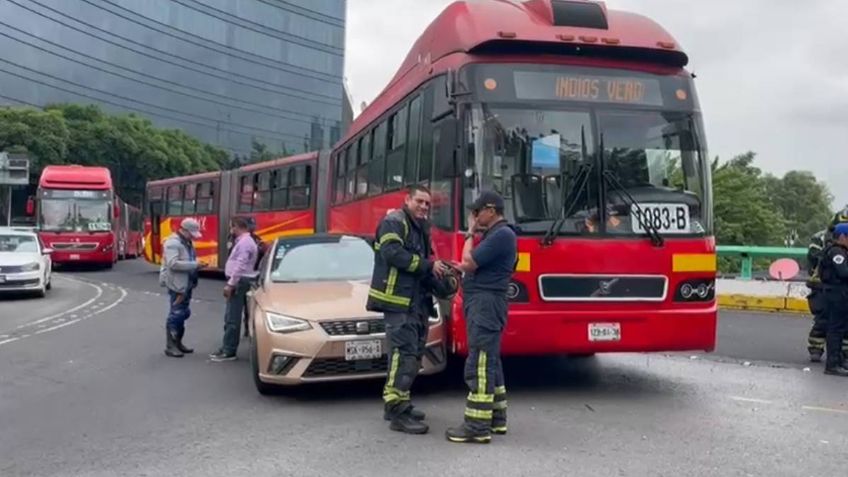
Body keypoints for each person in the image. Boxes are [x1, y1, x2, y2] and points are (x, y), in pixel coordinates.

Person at [367, 185, 448, 435]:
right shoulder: (394, 221)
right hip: (397, 302)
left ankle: (399, 403)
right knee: (403, 356)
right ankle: (397, 413)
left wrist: (442, 281)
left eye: (427, 203)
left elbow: (426, 266)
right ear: (407, 200)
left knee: (411, 357)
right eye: (419, 201)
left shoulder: (421, 228)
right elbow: (393, 253)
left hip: (415, 303)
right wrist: (427, 266)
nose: (424, 207)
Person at [446, 190, 517, 444]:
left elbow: (469, 261)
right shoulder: (498, 235)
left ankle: (477, 426)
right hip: (486, 303)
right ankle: (496, 420)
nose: (475, 217)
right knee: (491, 363)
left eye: (477, 212)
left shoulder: (501, 235)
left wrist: (469, 232)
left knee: (481, 363)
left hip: (486, 305)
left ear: (491, 210)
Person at [210, 216, 258, 362]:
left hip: (239, 281)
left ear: (237, 226)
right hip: (243, 280)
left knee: (232, 317)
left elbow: (241, 265)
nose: (231, 230)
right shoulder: (245, 241)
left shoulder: (244, 243)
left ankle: (229, 350)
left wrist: (231, 284)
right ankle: (227, 347)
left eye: (232, 227)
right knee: (232, 316)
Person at [159, 218, 207, 358]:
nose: (193, 236)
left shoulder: (186, 242)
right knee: (177, 313)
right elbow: (173, 264)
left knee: (183, 312)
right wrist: (195, 265)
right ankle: (171, 345)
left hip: (186, 283)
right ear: (183, 230)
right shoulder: (173, 243)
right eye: (191, 233)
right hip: (177, 284)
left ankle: (178, 343)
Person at [818, 222, 848, 376]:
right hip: (836, 294)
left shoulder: (841, 251)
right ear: (842, 237)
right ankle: (832, 365)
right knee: (835, 329)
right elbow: (843, 273)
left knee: (841, 329)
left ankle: (840, 361)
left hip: (840, 294)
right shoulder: (836, 252)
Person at [805, 230, 828, 362]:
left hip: (840, 284)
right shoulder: (820, 237)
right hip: (822, 285)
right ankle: (815, 348)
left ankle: (843, 352)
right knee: (822, 318)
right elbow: (813, 257)